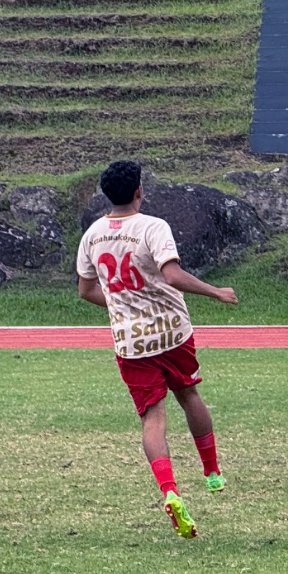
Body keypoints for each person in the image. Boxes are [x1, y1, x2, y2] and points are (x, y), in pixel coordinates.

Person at [76, 160, 238, 539]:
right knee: (189, 393)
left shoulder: (92, 235)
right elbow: (171, 274)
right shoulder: (152, 226)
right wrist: (215, 291)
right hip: (171, 332)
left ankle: (169, 491)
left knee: (152, 416)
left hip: (130, 342)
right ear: (139, 192)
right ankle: (212, 472)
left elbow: (85, 291)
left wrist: (121, 306)